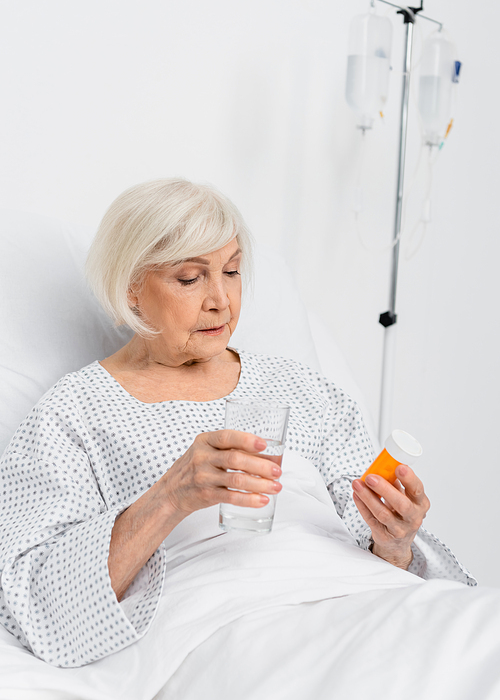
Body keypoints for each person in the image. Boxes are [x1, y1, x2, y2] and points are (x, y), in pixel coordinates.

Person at [0, 178, 475, 671]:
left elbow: (380, 550)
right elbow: (38, 607)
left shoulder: (300, 387)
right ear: (130, 290)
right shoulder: (75, 412)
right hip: (232, 621)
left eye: (231, 272)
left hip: (365, 596)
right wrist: (171, 496)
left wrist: (395, 541)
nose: (221, 300)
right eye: (190, 279)